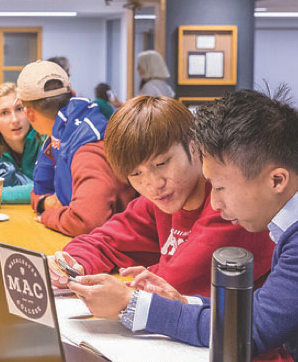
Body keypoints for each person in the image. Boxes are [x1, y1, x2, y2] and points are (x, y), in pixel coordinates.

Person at [69, 90, 298, 362]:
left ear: (277, 179)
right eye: (137, 174)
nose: (215, 203)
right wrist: (183, 302)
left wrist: (131, 304)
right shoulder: (288, 225)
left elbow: (251, 329)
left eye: (220, 188)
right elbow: (255, 308)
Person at [48, 96, 273, 297]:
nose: (154, 184)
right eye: (136, 173)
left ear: (194, 146)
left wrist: (136, 280)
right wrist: (73, 263)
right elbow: (102, 241)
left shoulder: (230, 207)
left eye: (162, 163)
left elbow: (174, 283)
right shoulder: (160, 201)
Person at [17, 60, 136, 236]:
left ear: (28, 113)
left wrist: (48, 215)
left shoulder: (88, 147)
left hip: (121, 254)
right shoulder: (59, 137)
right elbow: (39, 194)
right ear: (72, 95)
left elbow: (86, 221)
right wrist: (45, 203)